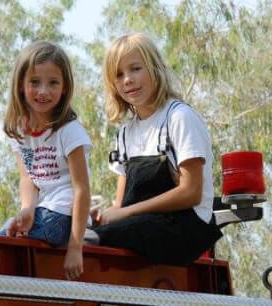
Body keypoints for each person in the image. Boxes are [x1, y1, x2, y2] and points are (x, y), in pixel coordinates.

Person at [91, 33, 222, 265]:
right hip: (142, 226)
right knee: (77, 230)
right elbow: (121, 205)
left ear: (155, 68)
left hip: (184, 228)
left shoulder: (179, 117)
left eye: (135, 69)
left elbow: (191, 192)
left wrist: (125, 214)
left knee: (93, 241)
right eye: (119, 74)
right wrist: (104, 216)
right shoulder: (125, 133)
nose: (128, 80)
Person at [0, 41, 91, 281]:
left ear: (64, 87)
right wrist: (27, 209)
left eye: (53, 83)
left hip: (65, 212)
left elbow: (82, 190)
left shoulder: (69, 131)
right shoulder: (20, 131)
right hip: (42, 209)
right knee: (4, 234)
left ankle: (86, 234)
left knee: (16, 239)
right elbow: (28, 177)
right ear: (21, 84)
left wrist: (75, 247)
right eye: (35, 82)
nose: (43, 91)